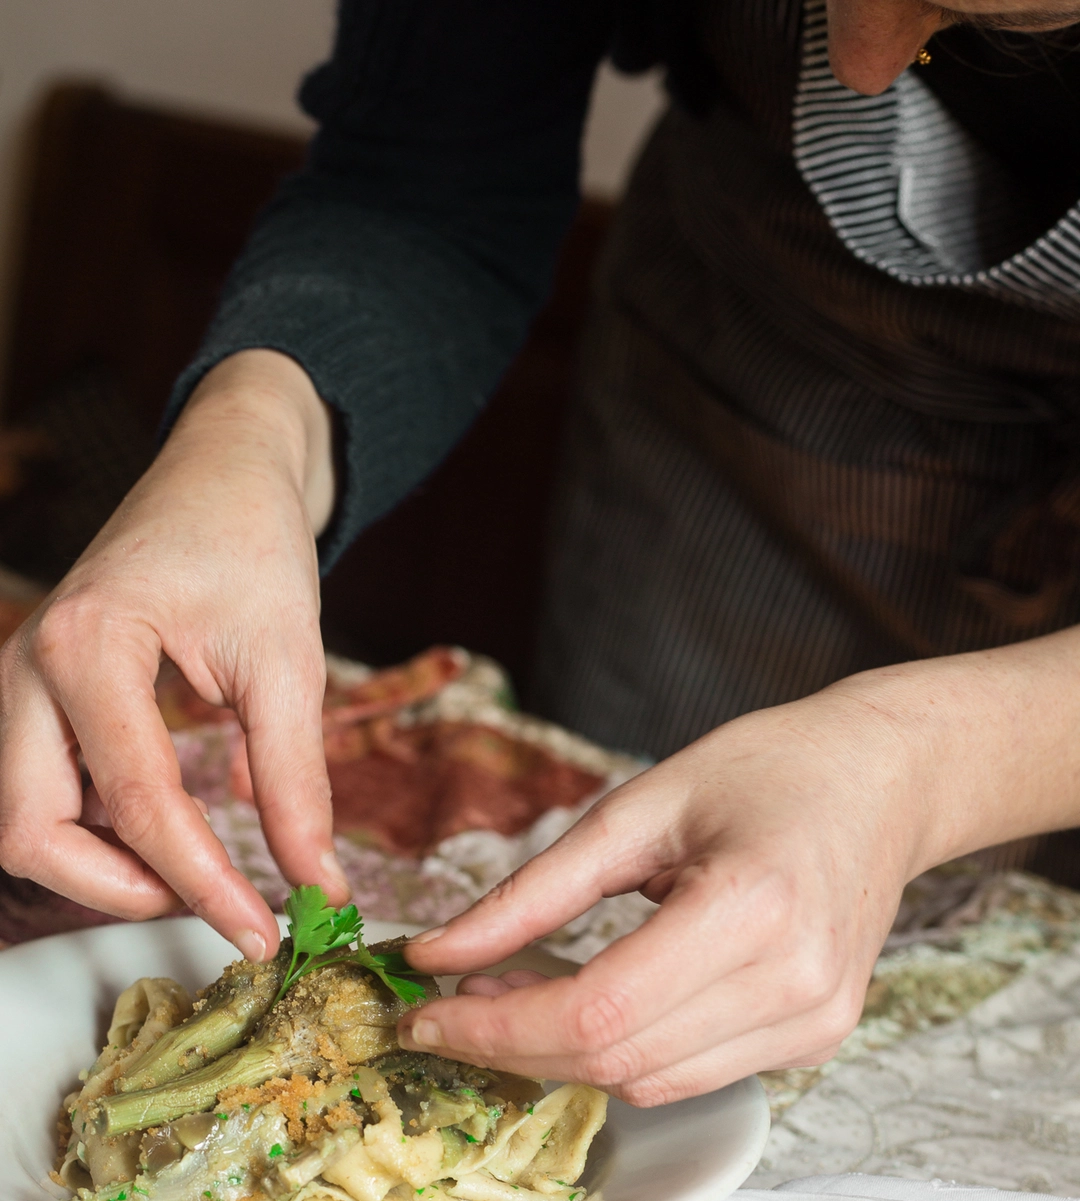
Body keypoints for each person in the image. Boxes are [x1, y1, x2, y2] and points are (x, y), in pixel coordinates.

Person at [4, 0, 1080, 1106]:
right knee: (638, 1028)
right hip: (765, 398)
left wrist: (920, 765)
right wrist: (252, 435)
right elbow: (426, 173)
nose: (860, 63)